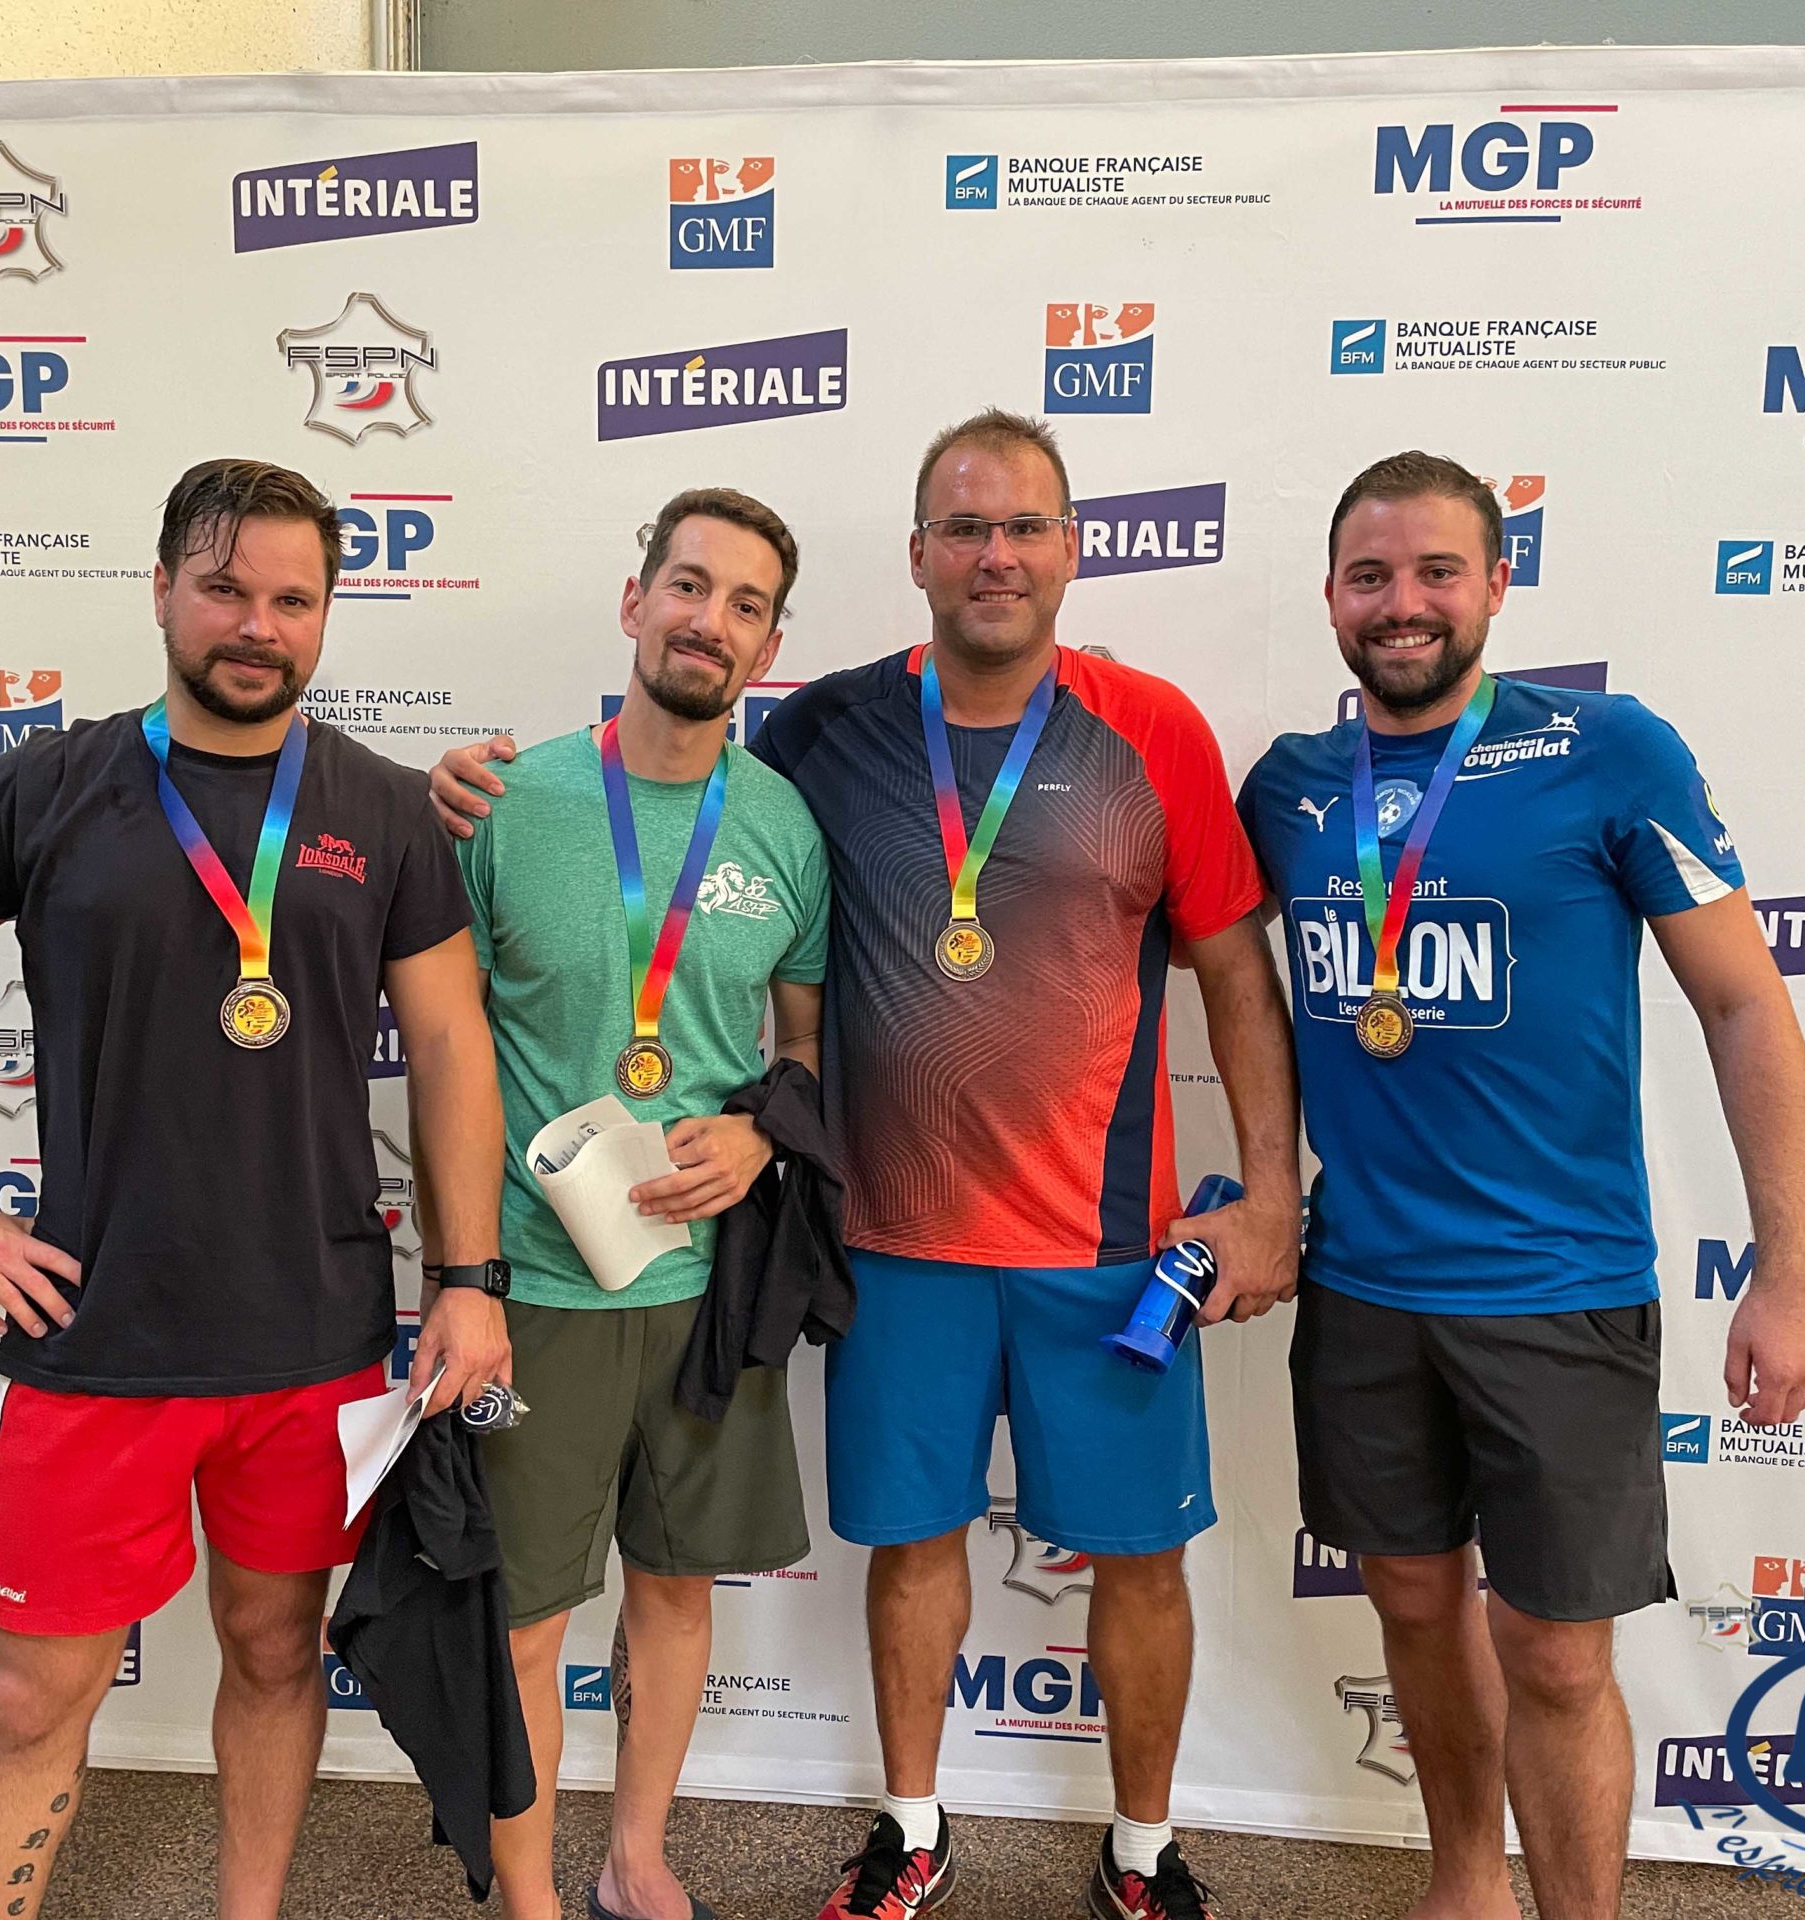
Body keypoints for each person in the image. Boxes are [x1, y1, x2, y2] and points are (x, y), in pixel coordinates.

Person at [434, 412, 1303, 1920]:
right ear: (916, 555)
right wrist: (456, 790)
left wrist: (1273, 1194)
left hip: (1109, 1245)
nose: (995, 556)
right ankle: (911, 1827)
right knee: (911, 1551)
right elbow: (680, 811)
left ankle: (1143, 1849)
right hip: (896, 1244)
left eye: (1024, 528)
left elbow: (1234, 971)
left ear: (1072, 550)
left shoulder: (1152, 730)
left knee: (1140, 1563)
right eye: (964, 529)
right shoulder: (821, 735)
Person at [0, 458, 510, 1920]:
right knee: (32, 1699)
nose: (257, 625)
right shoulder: (45, 785)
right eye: (224, 589)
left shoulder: (383, 809)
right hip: (97, 1332)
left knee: (273, 1653)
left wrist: (470, 1282)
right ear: (159, 591)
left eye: (292, 600)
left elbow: (453, 1046)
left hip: (312, 1334)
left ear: (324, 616)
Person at [1235, 451, 1805, 1920]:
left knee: (1559, 1652)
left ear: (1499, 584)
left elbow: (1745, 1005)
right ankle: (1465, 1886)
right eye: (1371, 575)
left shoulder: (1608, 750)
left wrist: (1790, 1271)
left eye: (1438, 570)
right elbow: (1234, 992)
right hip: (1364, 1289)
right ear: (1330, 597)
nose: (1404, 603)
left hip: (1558, 1291)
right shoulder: (1289, 787)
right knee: (1413, 1602)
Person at [426, 487, 830, 1920]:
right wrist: (463, 1275)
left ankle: (634, 1855)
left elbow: (804, 1048)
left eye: (745, 605)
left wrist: (759, 1133)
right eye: (689, 586)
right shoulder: (507, 802)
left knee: (674, 1591)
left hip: (708, 1288)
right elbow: (445, 1049)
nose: (709, 621)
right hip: (536, 1289)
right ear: (634, 601)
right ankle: (530, 1896)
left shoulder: (783, 827)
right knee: (527, 1619)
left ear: (770, 645)